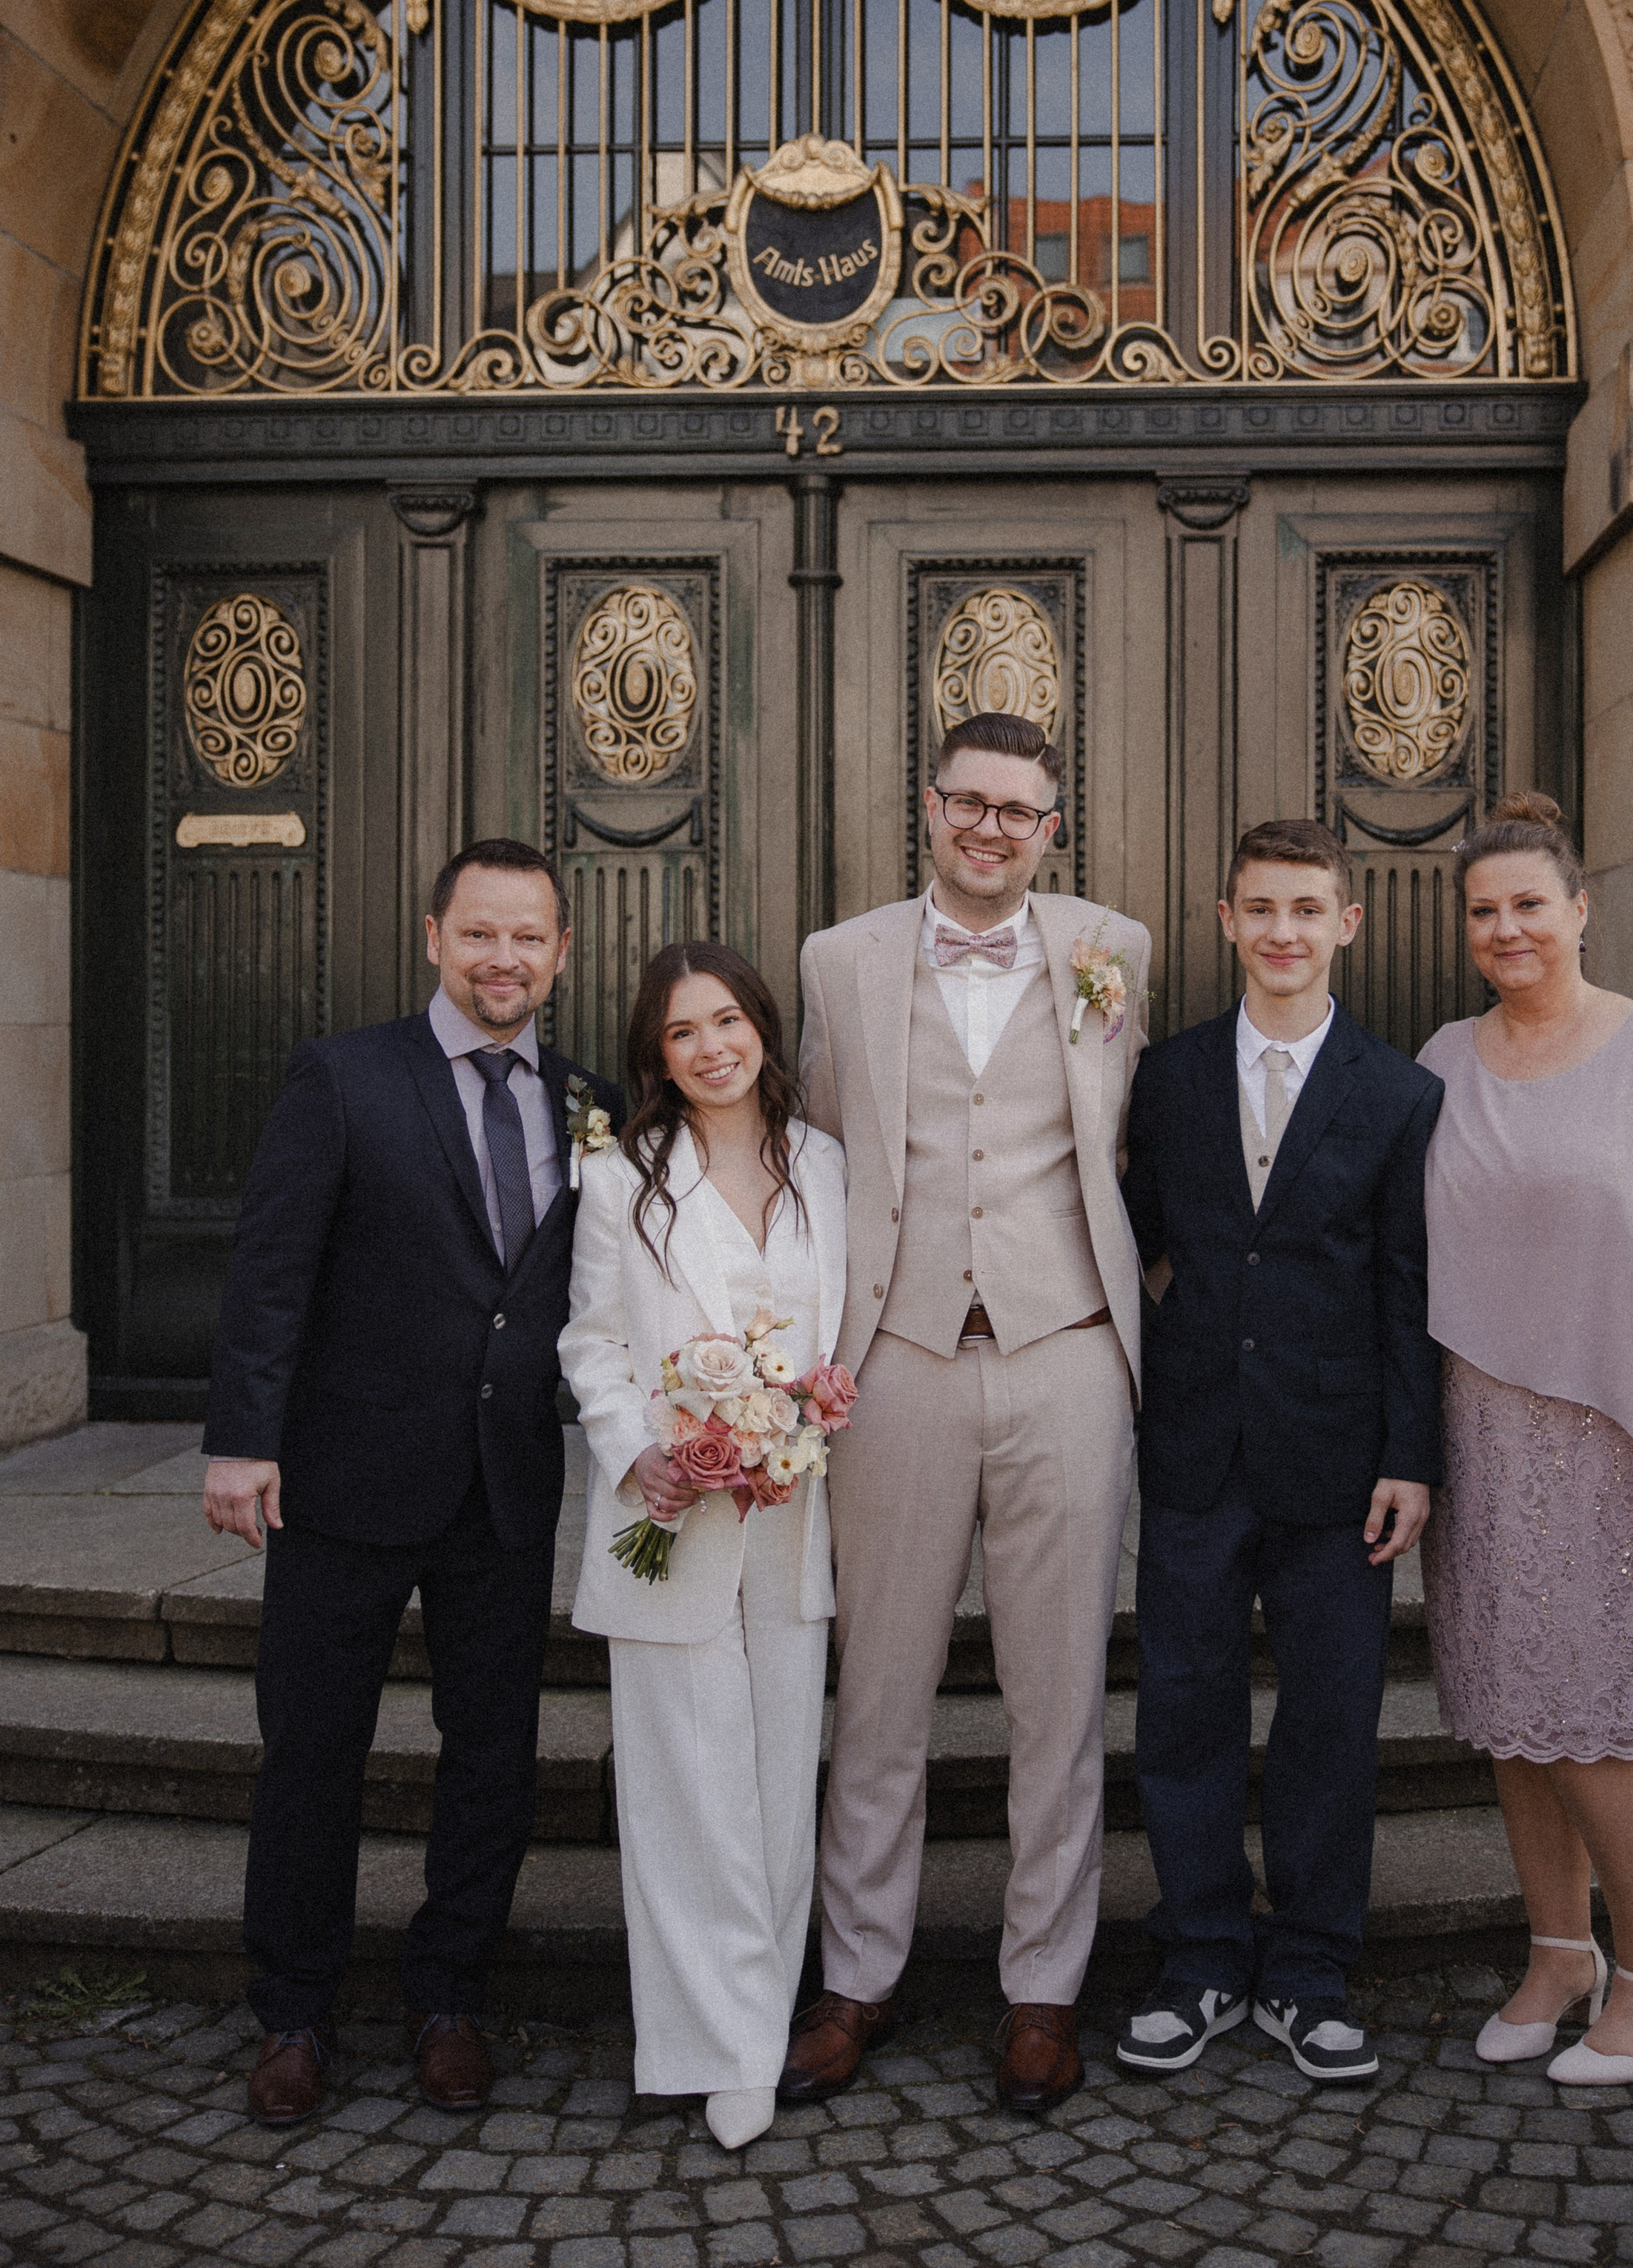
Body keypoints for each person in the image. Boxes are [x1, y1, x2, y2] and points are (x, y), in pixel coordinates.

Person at [202, 839, 621, 2124]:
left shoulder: (586, 1101)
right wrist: (241, 1438)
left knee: (490, 1756)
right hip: (345, 1479)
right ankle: (294, 2012)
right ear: (434, 937)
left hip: (504, 1489)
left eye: (529, 938)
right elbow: (273, 1270)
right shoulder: (342, 1077)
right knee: (315, 1754)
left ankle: (450, 1998)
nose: (505, 959)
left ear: (561, 953)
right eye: (480, 934)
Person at [784, 710, 1151, 2113]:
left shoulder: (1111, 946)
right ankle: (857, 1977)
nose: (993, 828)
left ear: (1052, 830)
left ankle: (1045, 1988)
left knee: (1057, 1696)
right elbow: (824, 1141)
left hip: (1066, 1350)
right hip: (900, 1357)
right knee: (880, 1689)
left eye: (1022, 811)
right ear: (929, 807)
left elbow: (1113, 1136)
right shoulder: (842, 960)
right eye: (970, 804)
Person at [1417, 791, 1633, 2086]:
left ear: (1580, 909)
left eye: (1530, 906)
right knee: (1513, 1711)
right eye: (1485, 911)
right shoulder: (1443, 1059)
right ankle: (1561, 1954)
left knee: (1600, 1720)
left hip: (1619, 1430)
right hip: (1483, 1430)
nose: (1508, 929)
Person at [1119, 819, 1442, 2083]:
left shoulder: (1402, 1092)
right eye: (1262, 908)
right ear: (1225, 919)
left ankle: (1309, 1966)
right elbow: (1130, 1236)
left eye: (1308, 909)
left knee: (1329, 1721)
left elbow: (1410, 1288)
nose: (1284, 933)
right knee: (1184, 1712)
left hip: (1340, 1462)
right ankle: (1201, 1952)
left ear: (1347, 923)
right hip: (1195, 1445)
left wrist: (1410, 1455)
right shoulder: (1169, 1077)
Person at [559, 942, 847, 2151]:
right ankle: (699, 2043)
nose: (713, 1047)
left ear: (763, 1029)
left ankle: (763, 2023)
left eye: (727, 1021)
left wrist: (816, 1411)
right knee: (685, 1785)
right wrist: (642, 1453)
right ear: (657, 1056)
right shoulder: (623, 1175)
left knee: (780, 1782)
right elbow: (591, 1344)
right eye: (684, 1033)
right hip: (668, 1511)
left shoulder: (826, 1164)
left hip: (789, 1509)